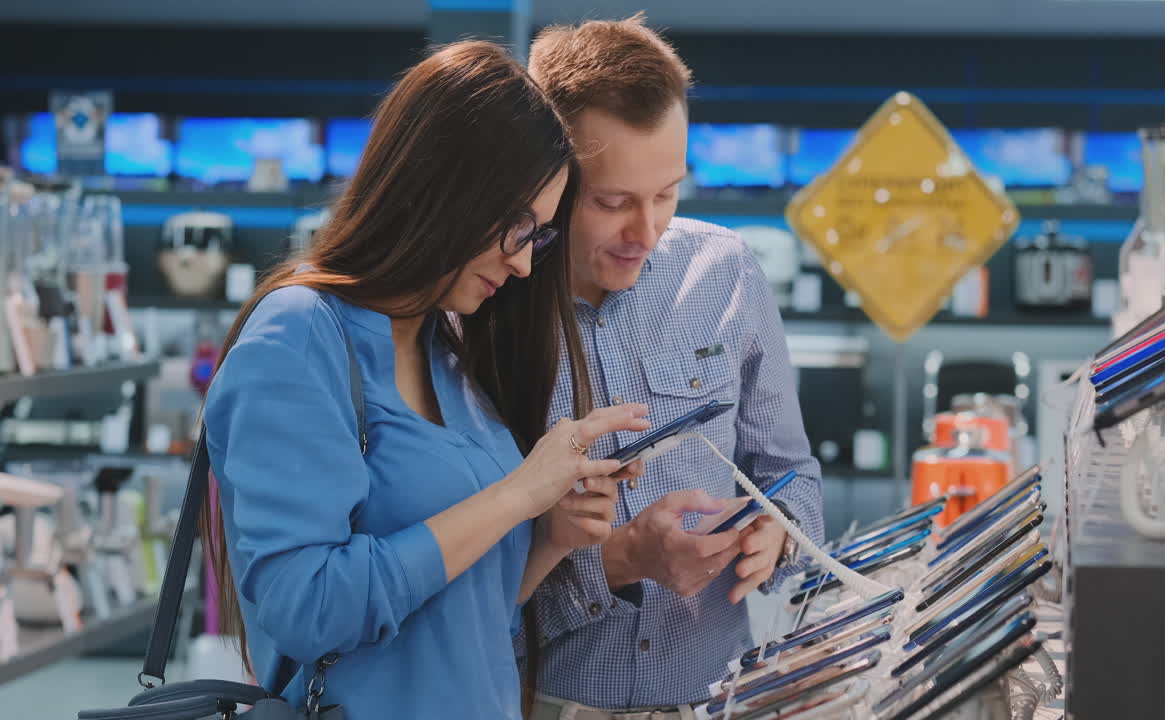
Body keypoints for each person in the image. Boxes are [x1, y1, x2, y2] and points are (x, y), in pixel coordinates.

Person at [200, 41, 648, 720]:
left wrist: (550, 532)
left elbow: (462, 623)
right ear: (445, 190)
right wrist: (516, 494)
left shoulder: (445, 349)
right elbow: (308, 608)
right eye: (520, 227)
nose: (526, 265)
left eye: (540, 237)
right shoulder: (298, 336)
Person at [521, 15, 826, 717]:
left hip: (718, 699)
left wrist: (777, 532)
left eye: (666, 193)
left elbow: (793, 473)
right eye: (613, 202)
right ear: (548, 180)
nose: (648, 231)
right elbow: (466, 592)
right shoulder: (488, 312)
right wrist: (619, 559)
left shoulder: (725, 273)